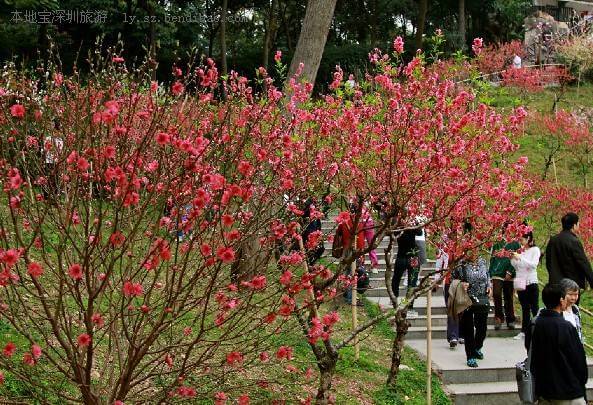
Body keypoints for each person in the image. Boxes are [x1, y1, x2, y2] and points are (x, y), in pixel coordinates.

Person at [526, 283, 588, 404]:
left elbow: (530, 350)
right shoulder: (566, 327)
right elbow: (578, 361)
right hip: (568, 391)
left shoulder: (535, 324)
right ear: (561, 300)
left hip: (544, 391)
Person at [546, 212, 593, 297]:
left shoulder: (553, 240)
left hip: (555, 285)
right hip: (571, 287)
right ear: (574, 225)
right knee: (570, 309)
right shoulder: (574, 241)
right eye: (578, 223)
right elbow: (583, 263)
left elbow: (548, 262)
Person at [456, 253, 491, 368]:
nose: (474, 251)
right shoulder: (461, 264)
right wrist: (461, 285)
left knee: (482, 329)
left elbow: (487, 275)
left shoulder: (483, 261)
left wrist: (489, 286)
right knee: (468, 329)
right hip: (467, 299)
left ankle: (476, 347)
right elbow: (453, 280)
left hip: (482, 298)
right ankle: (470, 355)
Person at [511, 230, 541, 340]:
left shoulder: (535, 250)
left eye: (522, 239)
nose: (521, 242)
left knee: (534, 307)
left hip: (531, 282)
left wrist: (521, 258)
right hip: (521, 281)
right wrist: (514, 259)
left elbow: (533, 265)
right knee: (525, 308)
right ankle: (524, 331)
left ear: (528, 238)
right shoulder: (520, 251)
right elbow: (517, 266)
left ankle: (538, 329)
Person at [489, 232, 519, 331]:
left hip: (509, 274)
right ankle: (498, 318)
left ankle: (510, 319)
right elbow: (493, 258)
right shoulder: (497, 242)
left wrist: (510, 271)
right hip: (497, 272)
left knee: (508, 296)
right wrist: (491, 272)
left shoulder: (515, 243)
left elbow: (517, 258)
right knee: (496, 294)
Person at [392, 227, 423, 317]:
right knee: (409, 282)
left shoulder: (399, 224)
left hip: (404, 256)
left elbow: (419, 232)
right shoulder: (404, 224)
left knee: (402, 280)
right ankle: (405, 304)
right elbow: (420, 232)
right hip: (409, 256)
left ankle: (403, 303)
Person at [560, 278, 584, 343]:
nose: (573, 298)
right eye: (570, 294)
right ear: (562, 294)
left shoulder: (575, 309)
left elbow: (579, 331)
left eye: (576, 294)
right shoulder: (554, 310)